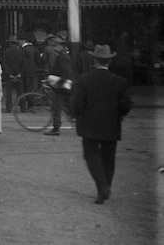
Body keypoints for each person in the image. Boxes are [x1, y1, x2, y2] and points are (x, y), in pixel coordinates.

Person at [71, 44, 134, 204]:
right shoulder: (119, 81)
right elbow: (126, 105)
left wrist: (78, 115)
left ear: (94, 60)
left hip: (89, 126)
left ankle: (102, 187)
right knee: (108, 158)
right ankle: (104, 189)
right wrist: (118, 115)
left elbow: (77, 104)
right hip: (111, 125)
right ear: (109, 62)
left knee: (91, 155)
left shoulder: (84, 80)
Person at [43, 34, 74, 136]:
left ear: (61, 47)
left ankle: (56, 128)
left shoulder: (63, 57)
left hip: (62, 87)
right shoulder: (60, 56)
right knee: (67, 107)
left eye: (55, 46)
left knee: (56, 107)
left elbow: (66, 73)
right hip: (63, 86)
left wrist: (57, 83)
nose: (54, 48)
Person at [1, 35, 24, 113]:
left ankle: (8, 108)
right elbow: (24, 64)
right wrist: (20, 73)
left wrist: (9, 74)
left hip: (9, 76)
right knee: (21, 92)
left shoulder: (6, 52)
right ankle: (23, 108)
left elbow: (5, 64)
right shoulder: (21, 52)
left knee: (9, 93)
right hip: (19, 75)